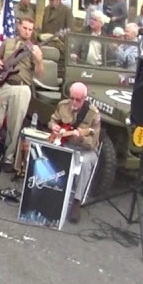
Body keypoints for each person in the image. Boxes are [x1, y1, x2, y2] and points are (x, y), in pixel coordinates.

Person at [0, 17, 45, 173]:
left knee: (14, 126)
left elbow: (40, 74)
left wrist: (39, 60)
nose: (27, 31)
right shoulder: (8, 42)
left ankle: (8, 158)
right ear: (18, 26)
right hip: (3, 84)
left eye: (30, 29)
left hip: (21, 88)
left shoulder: (34, 48)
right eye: (25, 28)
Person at [46, 82, 101, 223]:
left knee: (85, 162)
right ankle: (48, 191)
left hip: (85, 149)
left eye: (78, 100)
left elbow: (93, 143)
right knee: (46, 151)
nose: (74, 102)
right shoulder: (63, 105)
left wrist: (82, 137)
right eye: (72, 98)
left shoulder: (93, 114)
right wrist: (55, 127)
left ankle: (76, 201)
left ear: (85, 99)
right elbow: (52, 120)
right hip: (66, 144)